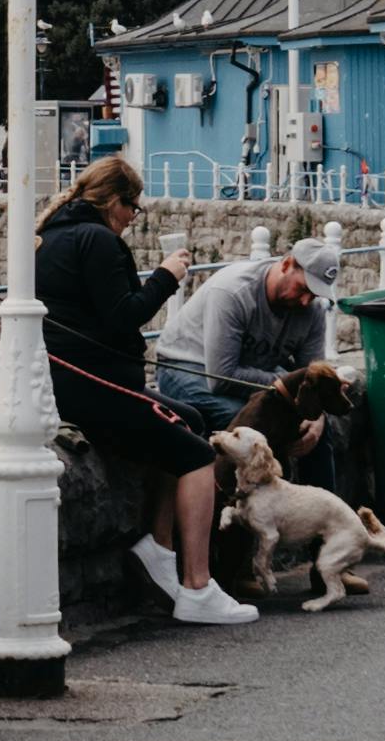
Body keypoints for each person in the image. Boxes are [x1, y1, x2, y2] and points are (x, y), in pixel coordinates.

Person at [32, 155, 254, 628]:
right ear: (114, 202)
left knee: (191, 419)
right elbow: (124, 315)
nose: (134, 218)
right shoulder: (97, 241)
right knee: (197, 455)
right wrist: (166, 277)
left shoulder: (52, 236)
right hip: (96, 387)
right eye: (133, 208)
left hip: (69, 382)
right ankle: (197, 585)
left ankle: (158, 547)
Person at [157, 242, 326, 425]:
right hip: (186, 363)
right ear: (286, 265)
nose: (305, 301)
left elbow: (315, 376)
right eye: (303, 288)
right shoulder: (233, 292)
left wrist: (317, 419)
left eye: (314, 294)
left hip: (249, 367)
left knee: (316, 427)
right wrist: (288, 384)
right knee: (248, 420)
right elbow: (222, 377)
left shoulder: (313, 309)